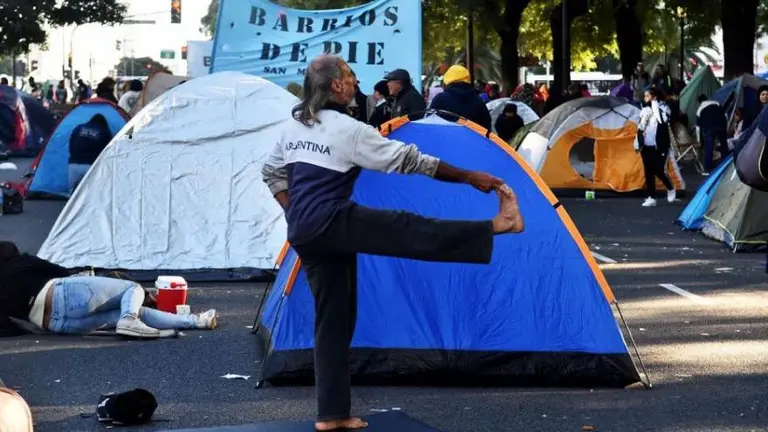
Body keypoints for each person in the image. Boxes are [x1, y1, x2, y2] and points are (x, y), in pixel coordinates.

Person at [261, 54, 524, 432]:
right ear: (336, 86)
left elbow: (270, 172)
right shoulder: (347, 129)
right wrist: (470, 177)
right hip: (331, 220)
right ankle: (497, 225)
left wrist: (295, 213)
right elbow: (411, 160)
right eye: (350, 77)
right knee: (408, 228)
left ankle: (331, 415)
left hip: (305, 230)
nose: (355, 82)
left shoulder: (295, 126)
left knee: (334, 320)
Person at [0, 241, 218, 338]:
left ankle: (196, 321)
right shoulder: (21, 262)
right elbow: (59, 272)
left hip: (54, 324)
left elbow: (7, 327)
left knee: (123, 313)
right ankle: (130, 320)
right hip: (56, 293)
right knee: (131, 290)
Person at [637, 88, 675, 207]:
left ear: (654, 97)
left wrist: (654, 105)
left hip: (659, 145)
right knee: (648, 171)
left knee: (658, 170)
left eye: (647, 96)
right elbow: (640, 126)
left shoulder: (664, 108)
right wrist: (639, 138)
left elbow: (662, 120)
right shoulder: (644, 110)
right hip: (646, 145)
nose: (645, 99)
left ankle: (670, 188)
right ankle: (651, 197)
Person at [429, 65, 492, 130]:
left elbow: (430, 123)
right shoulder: (478, 101)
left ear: (447, 81)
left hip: (445, 138)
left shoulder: (440, 99)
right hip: (471, 139)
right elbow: (486, 127)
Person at [68, 114, 114, 193]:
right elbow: (109, 151)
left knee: (72, 194)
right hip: (91, 166)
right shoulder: (104, 131)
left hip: (73, 165)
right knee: (91, 193)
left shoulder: (78, 128)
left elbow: (71, 146)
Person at [695, 94, 728, 174]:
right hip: (721, 125)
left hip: (709, 129)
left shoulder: (700, 109)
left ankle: (707, 169)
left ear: (699, 102)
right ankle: (726, 166)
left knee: (709, 149)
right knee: (724, 146)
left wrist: (699, 140)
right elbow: (725, 115)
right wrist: (726, 127)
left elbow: (698, 128)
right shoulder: (717, 103)